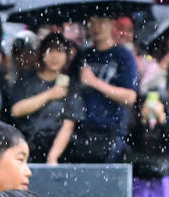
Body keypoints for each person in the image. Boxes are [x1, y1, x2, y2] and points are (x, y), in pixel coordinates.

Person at [48, 15, 138, 164]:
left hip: (111, 133)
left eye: (101, 22)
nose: (96, 28)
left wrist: (95, 82)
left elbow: (130, 97)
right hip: (81, 133)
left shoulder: (123, 56)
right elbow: (72, 92)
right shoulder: (83, 55)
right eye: (92, 23)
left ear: (111, 23)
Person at [9, 32, 83, 163]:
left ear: (67, 56)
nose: (55, 56)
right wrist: (49, 94)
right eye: (50, 50)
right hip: (28, 147)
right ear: (42, 54)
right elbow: (16, 110)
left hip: (59, 149)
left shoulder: (71, 86)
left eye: (60, 51)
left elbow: (68, 125)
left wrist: (53, 157)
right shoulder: (27, 79)